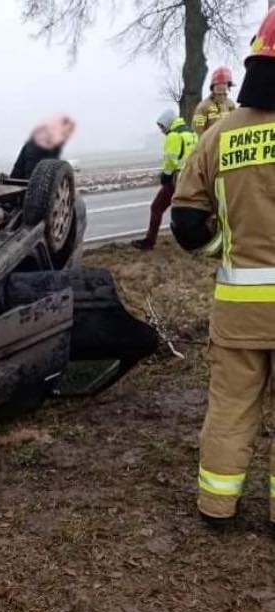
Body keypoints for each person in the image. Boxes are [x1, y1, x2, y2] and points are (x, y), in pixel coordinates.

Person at [171, 8, 275, 528]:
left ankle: (217, 505)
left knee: (231, 406)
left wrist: (226, 249)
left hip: (238, 310)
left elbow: (188, 223)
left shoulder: (219, 135)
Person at [132, 110, 198, 251]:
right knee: (191, 209)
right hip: (192, 177)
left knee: (156, 208)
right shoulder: (191, 133)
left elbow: (170, 160)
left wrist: (166, 176)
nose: (161, 130)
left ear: (168, 123)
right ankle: (196, 240)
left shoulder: (173, 136)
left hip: (176, 178)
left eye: (162, 127)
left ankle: (150, 241)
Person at [11, 114, 77, 179]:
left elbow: (53, 164)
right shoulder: (39, 142)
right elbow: (31, 169)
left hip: (33, 179)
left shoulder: (54, 143)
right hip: (22, 181)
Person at [192, 66, 237, 136]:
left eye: (226, 92)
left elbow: (235, 126)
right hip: (210, 145)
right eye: (221, 93)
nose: (224, 95)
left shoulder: (230, 105)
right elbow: (197, 132)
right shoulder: (203, 107)